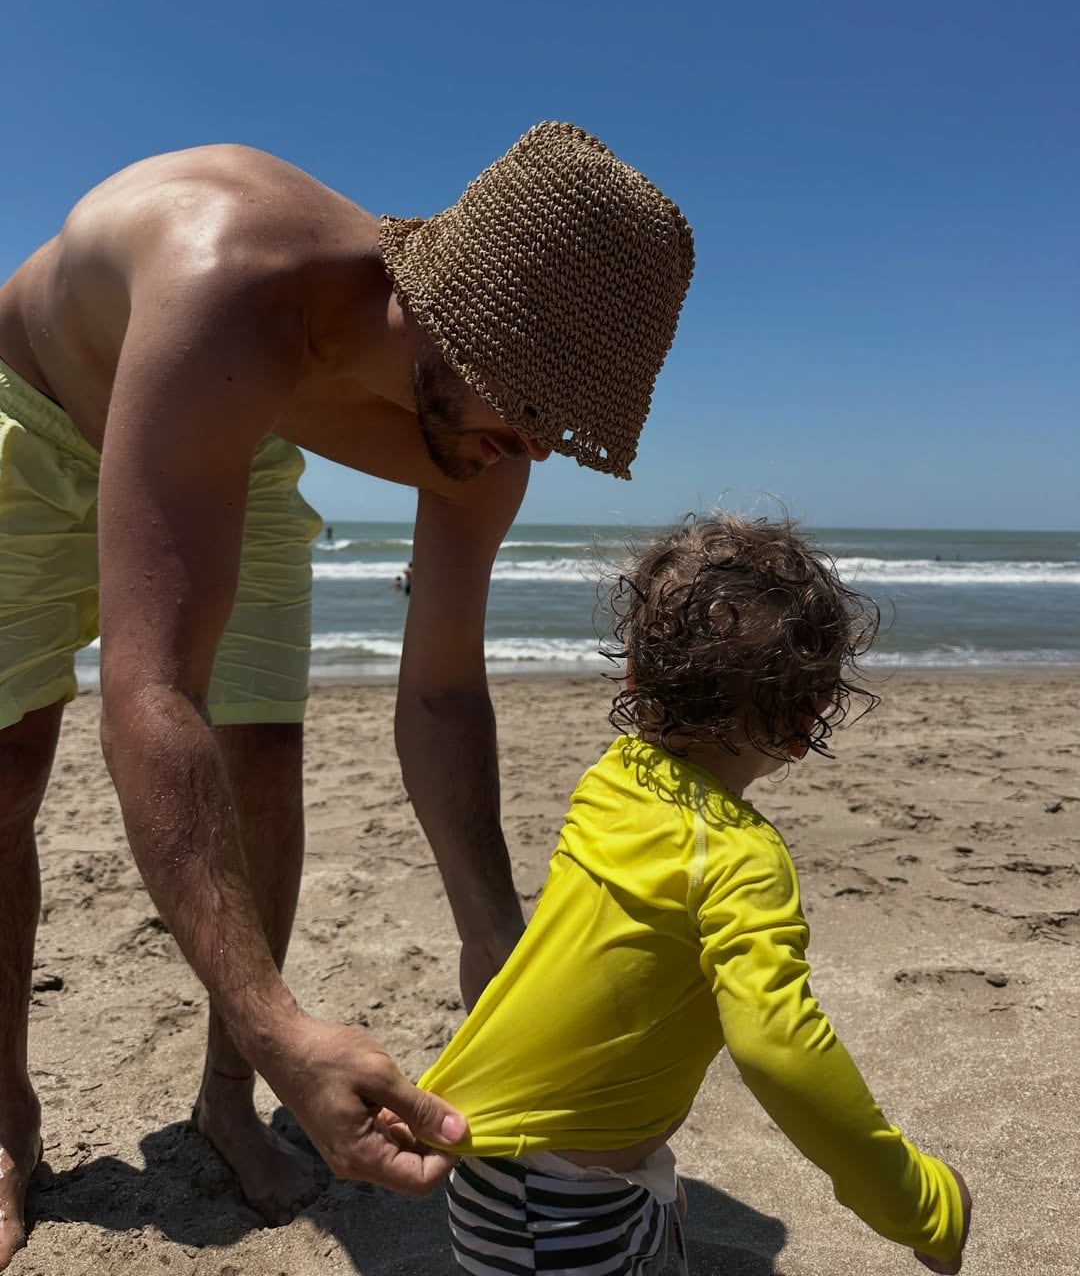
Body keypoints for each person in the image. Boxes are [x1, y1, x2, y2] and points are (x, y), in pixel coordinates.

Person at [0, 123, 695, 1268]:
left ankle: (229, 1095)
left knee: (262, 759)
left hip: (239, 435)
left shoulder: (491, 437)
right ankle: (6, 1116)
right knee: (8, 766)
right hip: (31, 416)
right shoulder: (233, 279)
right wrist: (294, 1027)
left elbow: (439, 692)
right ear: (445, 313)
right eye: (528, 399)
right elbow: (150, 689)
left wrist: (491, 934)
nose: (534, 441)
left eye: (566, 422)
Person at [419, 515, 972, 1276]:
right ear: (805, 725)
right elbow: (779, 1050)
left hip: (529, 1167)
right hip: (559, 1208)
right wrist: (921, 1202)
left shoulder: (612, 778)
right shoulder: (743, 858)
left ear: (634, 678)